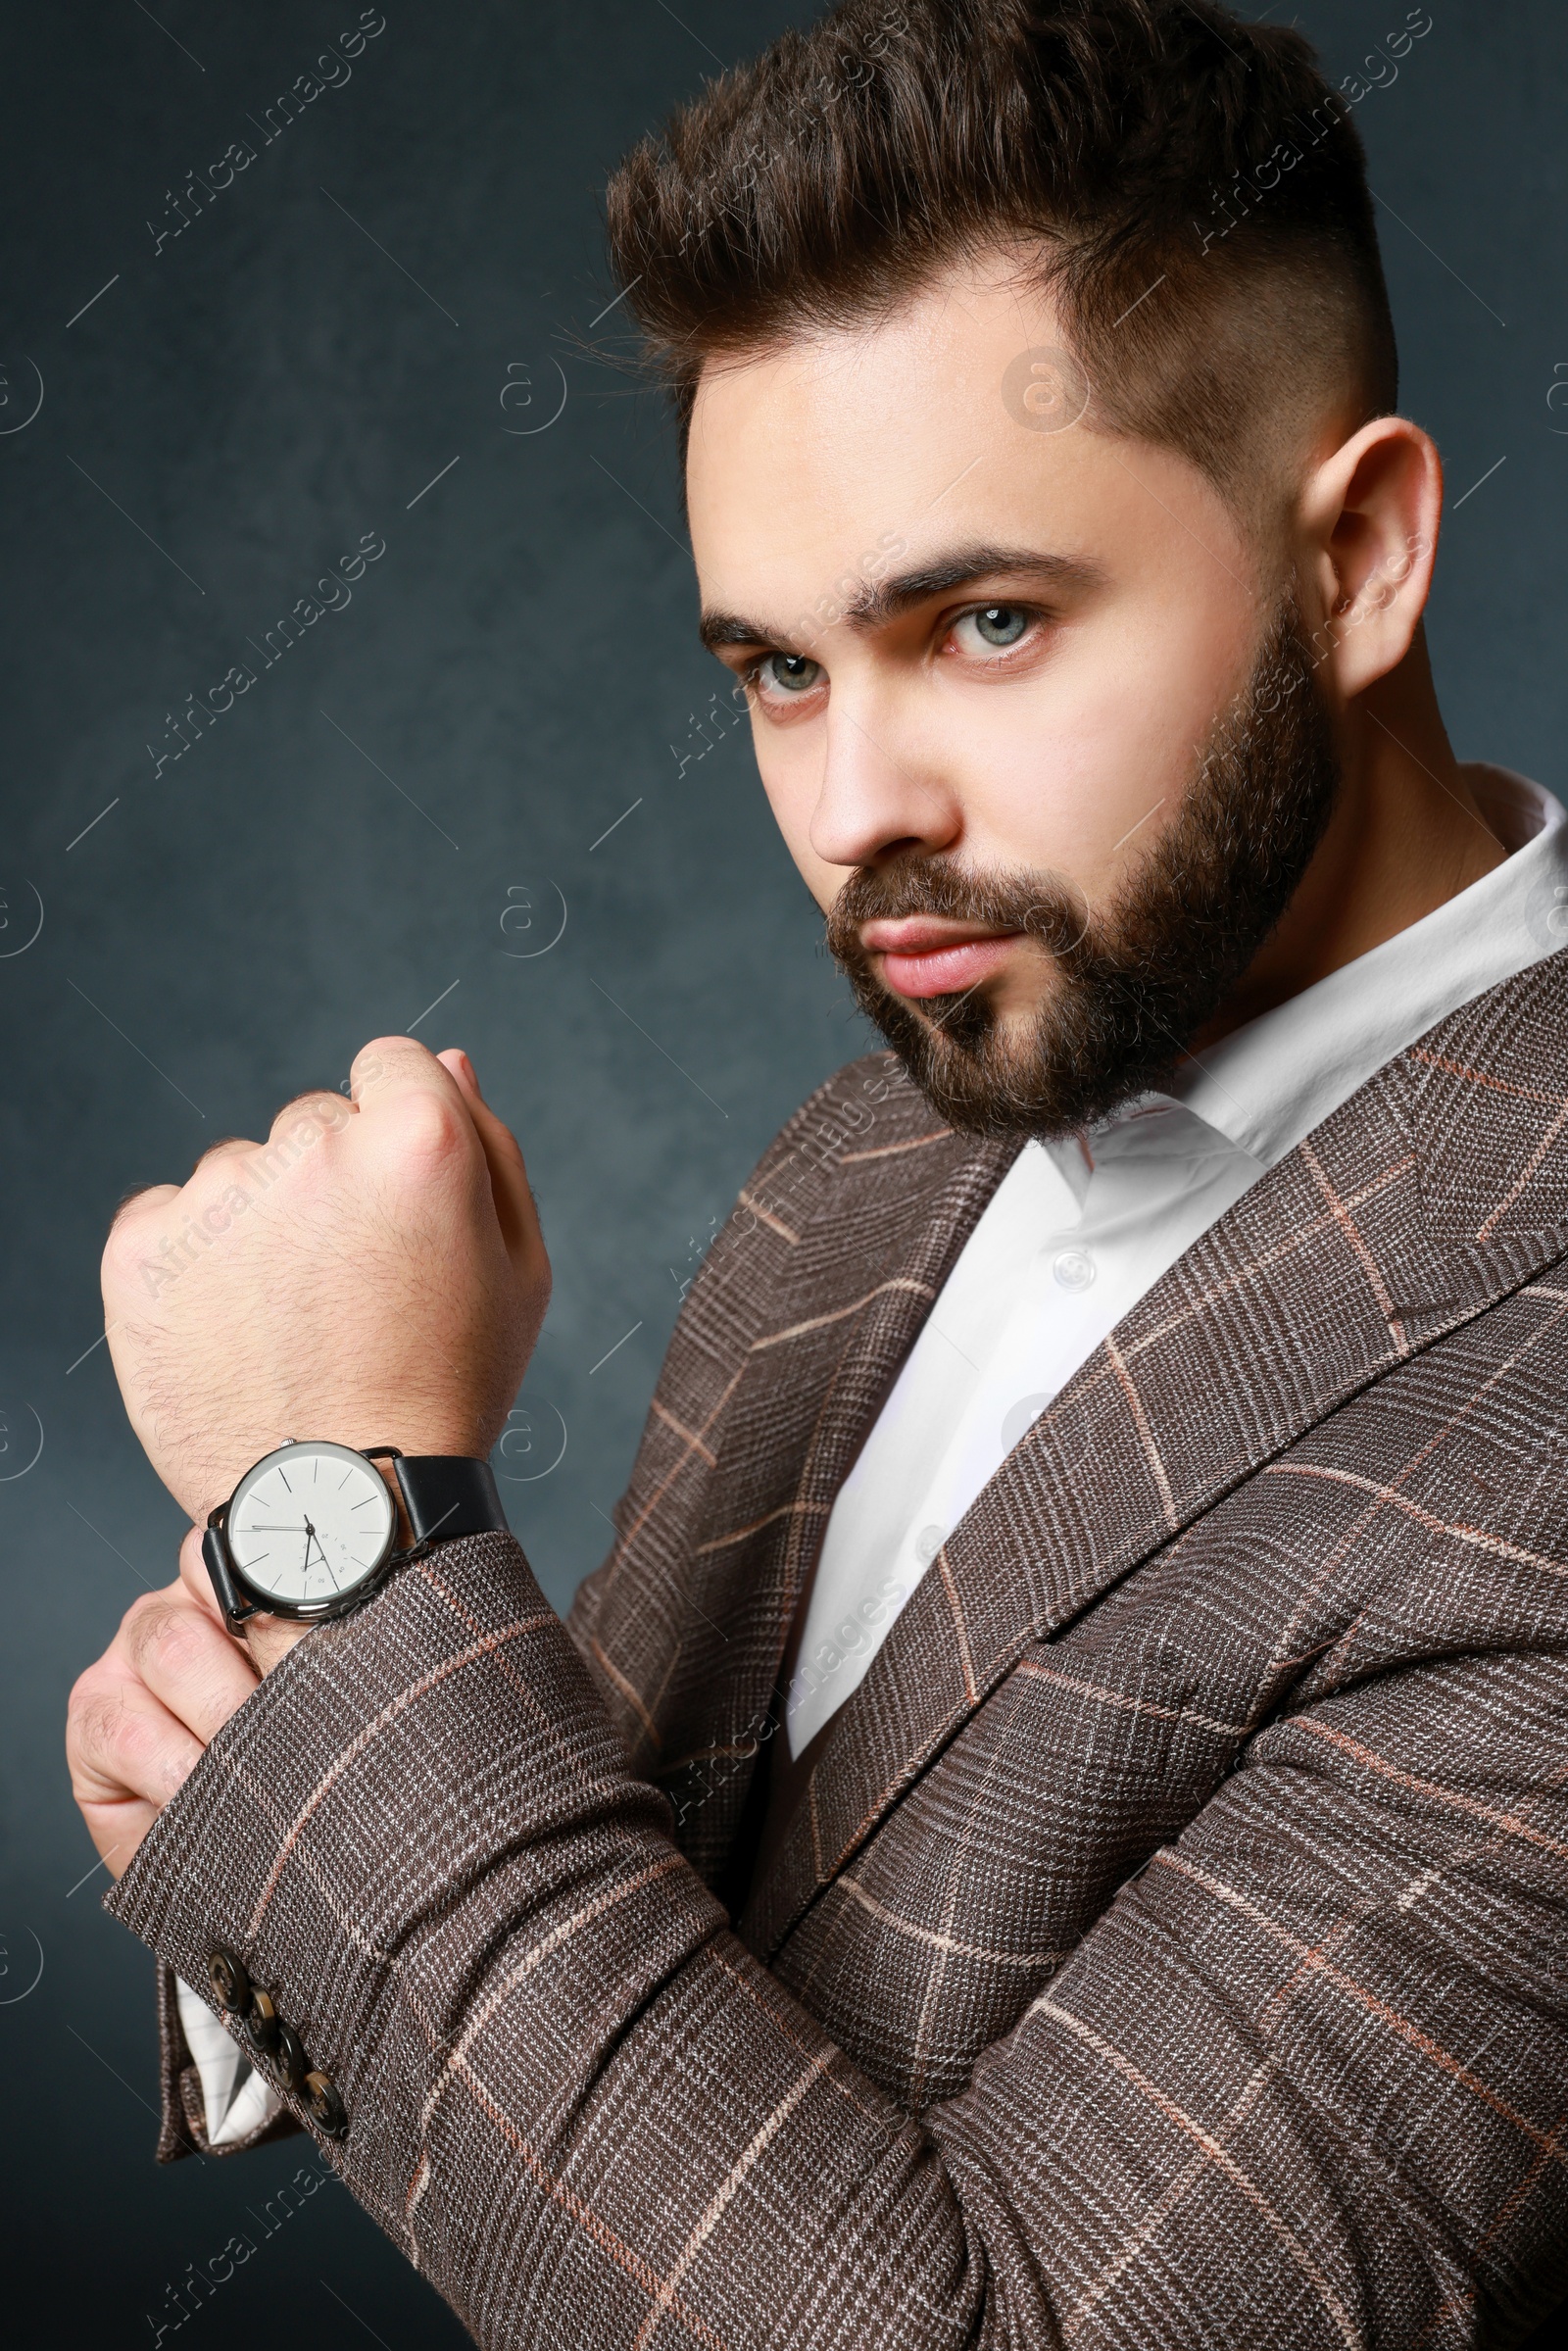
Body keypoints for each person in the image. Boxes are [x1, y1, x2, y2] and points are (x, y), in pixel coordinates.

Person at [66, 0, 1568, 2341]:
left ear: (1361, 555)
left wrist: (340, 1540)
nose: (854, 811)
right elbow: (663, 2043)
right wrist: (284, 1775)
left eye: (981, 623)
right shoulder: (882, 1140)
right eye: (773, 670)